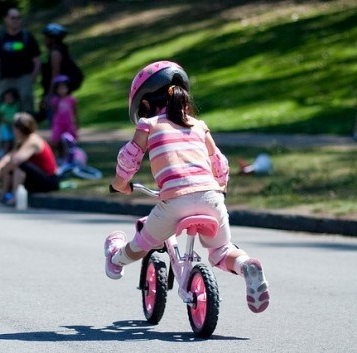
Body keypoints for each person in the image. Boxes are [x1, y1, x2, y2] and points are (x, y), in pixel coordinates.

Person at [104, 61, 270, 314]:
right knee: (221, 251)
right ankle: (246, 264)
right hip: (211, 197)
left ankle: (115, 259)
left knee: (141, 245)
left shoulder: (148, 125)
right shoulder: (199, 125)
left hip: (174, 202)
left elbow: (129, 159)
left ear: (145, 105)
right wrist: (220, 189)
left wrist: (120, 184)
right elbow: (220, 164)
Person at [0, 112, 59, 205]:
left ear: (20, 129)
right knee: (10, 169)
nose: (13, 131)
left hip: (49, 181)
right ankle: (3, 195)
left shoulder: (32, 141)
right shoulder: (23, 141)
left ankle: (15, 197)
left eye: (14, 128)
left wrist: (0, 174)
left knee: (20, 166)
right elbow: (10, 155)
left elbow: (16, 161)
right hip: (38, 179)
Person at [0, 7, 41, 114]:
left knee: (26, 98)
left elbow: (37, 60)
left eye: (18, 18)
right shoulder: (1, 39)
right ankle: (4, 128)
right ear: (6, 19)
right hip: (6, 78)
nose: (16, 20)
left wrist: (32, 78)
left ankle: (27, 127)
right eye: (13, 18)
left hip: (23, 77)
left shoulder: (27, 37)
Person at [49, 75, 78, 158]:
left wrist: (76, 122)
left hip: (68, 123)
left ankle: (69, 156)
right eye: (60, 88)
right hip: (58, 123)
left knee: (69, 140)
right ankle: (59, 156)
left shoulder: (71, 99)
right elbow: (54, 112)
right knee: (57, 141)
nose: (62, 90)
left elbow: (75, 111)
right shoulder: (55, 100)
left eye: (64, 88)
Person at [0, 88, 20, 156]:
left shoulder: (16, 105)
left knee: (15, 140)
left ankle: (14, 153)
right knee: (6, 141)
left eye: (10, 97)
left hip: (14, 126)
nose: (8, 99)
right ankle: (3, 153)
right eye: (7, 97)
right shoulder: (3, 107)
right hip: (5, 126)